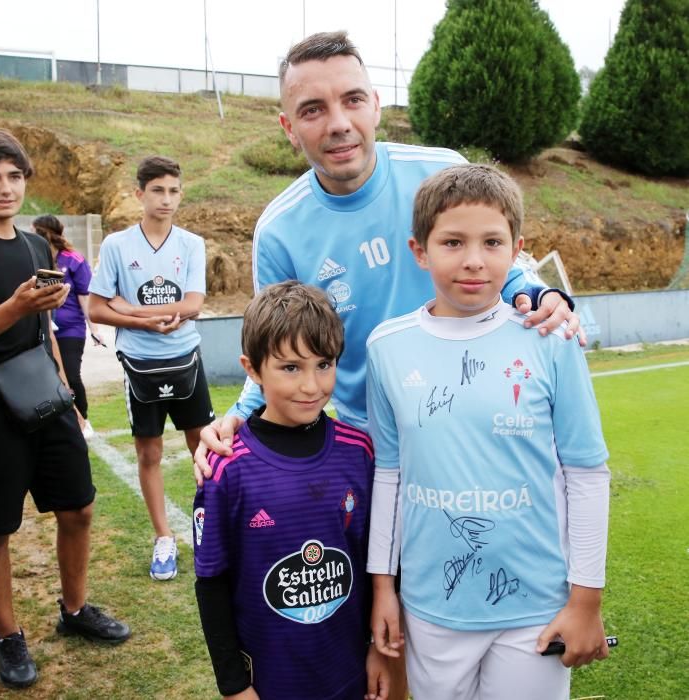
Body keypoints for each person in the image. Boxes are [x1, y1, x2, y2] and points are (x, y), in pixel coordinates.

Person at [195, 32, 583, 698]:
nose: (338, 122)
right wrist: (234, 416)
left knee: (499, 602)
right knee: (394, 634)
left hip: (476, 442)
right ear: (288, 128)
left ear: (376, 103)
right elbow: (279, 346)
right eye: (312, 109)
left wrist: (538, 292)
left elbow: (497, 257)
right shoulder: (280, 230)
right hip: (379, 465)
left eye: (351, 99)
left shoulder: (436, 169)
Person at [365, 163, 611, 700]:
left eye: (492, 242)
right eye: (453, 241)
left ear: (517, 249)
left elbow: (587, 473)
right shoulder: (387, 346)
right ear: (420, 250)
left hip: (537, 605)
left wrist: (586, 599)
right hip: (433, 607)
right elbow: (389, 474)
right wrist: (383, 588)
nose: (474, 260)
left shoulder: (550, 339)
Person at [0, 128, 130, 690]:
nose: (5, 188)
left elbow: (45, 326)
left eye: (14, 176)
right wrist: (12, 306)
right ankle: (8, 635)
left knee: (78, 506)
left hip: (43, 394)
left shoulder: (36, 245)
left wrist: (68, 394)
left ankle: (74, 610)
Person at [194, 280, 389, 700]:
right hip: (272, 681)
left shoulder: (358, 452)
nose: (311, 385)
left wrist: (378, 649)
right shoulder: (227, 468)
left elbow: (377, 562)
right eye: (290, 368)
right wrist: (234, 684)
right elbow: (211, 584)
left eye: (324, 364)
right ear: (252, 368)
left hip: (348, 670)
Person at [89, 154, 214, 581]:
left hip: (186, 360)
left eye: (174, 191)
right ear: (139, 194)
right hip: (141, 365)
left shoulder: (191, 244)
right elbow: (97, 309)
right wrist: (143, 318)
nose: (167, 199)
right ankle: (163, 537)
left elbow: (194, 304)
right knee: (150, 453)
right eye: (157, 190)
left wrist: (130, 305)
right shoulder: (117, 245)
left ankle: (209, 526)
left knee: (204, 450)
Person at [32, 214, 103, 438]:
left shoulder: (73, 259)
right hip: (45, 330)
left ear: (46, 233)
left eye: (36, 231)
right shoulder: (39, 258)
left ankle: (83, 418)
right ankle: (57, 421)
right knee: (49, 377)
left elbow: (85, 296)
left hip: (71, 330)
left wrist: (94, 328)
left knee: (71, 376)